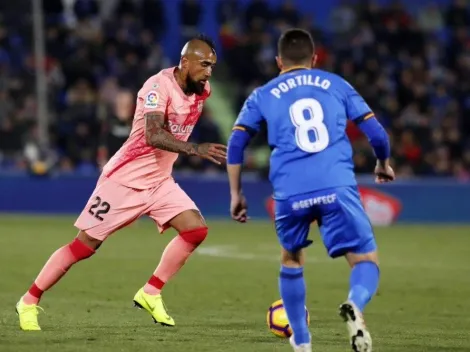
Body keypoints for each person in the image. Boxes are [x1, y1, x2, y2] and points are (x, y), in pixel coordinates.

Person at [16, 35, 227, 331]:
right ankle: (28, 300)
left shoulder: (202, 90)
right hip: (124, 180)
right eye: (204, 64)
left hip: (159, 181)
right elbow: (153, 135)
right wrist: (194, 148)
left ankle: (151, 291)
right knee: (84, 246)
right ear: (185, 62)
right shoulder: (158, 87)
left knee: (196, 230)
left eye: (212, 66)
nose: (208, 72)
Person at [226, 28, 394, 352]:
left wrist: (236, 194)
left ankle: (302, 342)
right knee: (364, 260)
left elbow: (236, 143)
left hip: (290, 192)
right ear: (314, 59)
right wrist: (382, 163)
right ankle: (354, 304)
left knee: (291, 258)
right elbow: (377, 134)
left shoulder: (263, 94)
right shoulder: (336, 84)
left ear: (278, 61)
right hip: (336, 185)